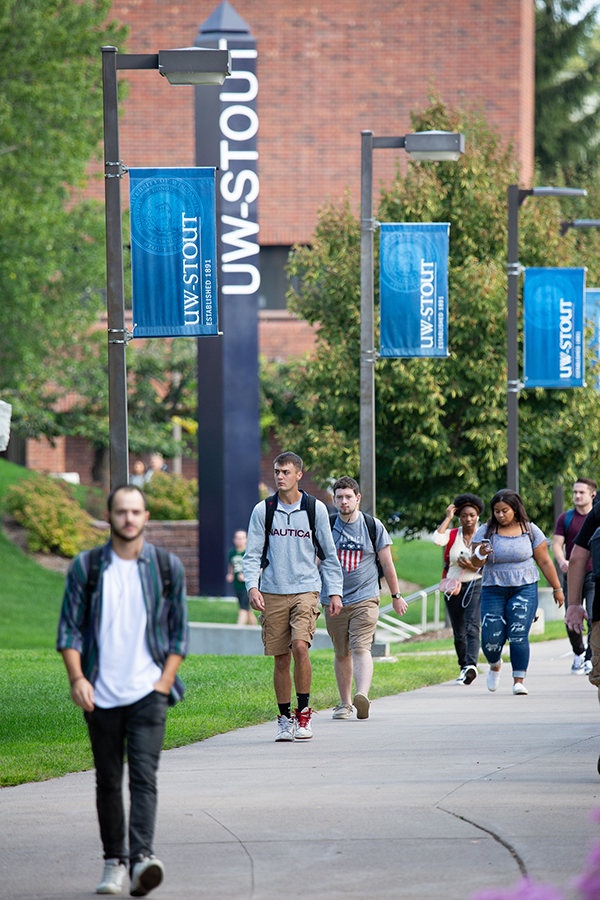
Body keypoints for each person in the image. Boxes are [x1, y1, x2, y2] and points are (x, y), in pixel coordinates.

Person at [56, 484, 189, 897]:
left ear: (145, 516)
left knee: (144, 779)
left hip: (149, 691)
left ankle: (142, 859)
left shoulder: (166, 567)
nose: (128, 519)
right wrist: (77, 678)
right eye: (121, 512)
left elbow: (178, 633)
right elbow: (69, 629)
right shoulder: (88, 567)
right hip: (100, 692)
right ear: (110, 517)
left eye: (135, 512)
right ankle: (114, 862)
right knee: (109, 779)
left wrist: (164, 682)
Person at [243, 451, 343, 742]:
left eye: (286, 472)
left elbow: (328, 554)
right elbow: (252, 555)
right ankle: (284, 718)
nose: (280, 476)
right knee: (281, 657)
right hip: (273, 590)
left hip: (306, 589)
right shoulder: (264, 510)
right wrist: (252, 586)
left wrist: (334, 591)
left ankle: (303, 713)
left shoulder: (315, 509)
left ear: (299, 474)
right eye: (277, 471)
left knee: (300, 647)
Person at [324, 476, 407, 720]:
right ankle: (344, 703)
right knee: (341, 652)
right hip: (334, 600)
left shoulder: (372, 525)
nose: (343, 501)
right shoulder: (327, 526)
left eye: (348, 496)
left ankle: (362, 695)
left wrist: (396, 595)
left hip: (365, 597)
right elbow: (317, 562)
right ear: (334, 499)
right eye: (339, 497)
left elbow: (387, 563)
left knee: (360, 646)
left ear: (357, 498)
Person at [470, 489, 564, 696]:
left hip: (525, 586)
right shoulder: (485, 531)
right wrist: (480, 552)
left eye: (505, 511)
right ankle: (495, 665)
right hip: (493, 587)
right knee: (490, 636)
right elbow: (474, 563)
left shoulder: (530, 530)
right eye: (496, 511)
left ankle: (518, 681)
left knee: (519, 634)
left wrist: (557, 589)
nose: (500, 515)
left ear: (515, 509)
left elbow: (545, 561)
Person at [432, 493, 484, 686]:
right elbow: (437, 539)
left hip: (475, 584)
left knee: (472, 626)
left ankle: (471, 666)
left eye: (471, 515)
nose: (468, 519)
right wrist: (448, 518)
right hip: (452, 587)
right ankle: (463, 667)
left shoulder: (484, 535)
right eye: (463, 516)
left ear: (477, 515)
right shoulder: (453, 534)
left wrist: (472, 567)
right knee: (459, 631)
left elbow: (491, 562)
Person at [553, 478, 597, 674]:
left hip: (594, 574)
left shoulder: (595, 515)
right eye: (575, 492)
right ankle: (579, 652)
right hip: (573, 572)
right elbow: (556, 544)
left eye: (582, 492)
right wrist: (562, 560)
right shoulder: (566, 518)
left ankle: (589, 657)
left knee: (593, 614)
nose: (577, 496)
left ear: (592, 495)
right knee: (571, 616)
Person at [226, 529, 256, 625]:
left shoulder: (249, 553)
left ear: (246, 539)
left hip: (247, 586)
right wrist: (230, 574)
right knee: (247, 609)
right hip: (237, 585)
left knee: (243, 609)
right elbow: (231, 565)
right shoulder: (232, 552)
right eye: (238, 538)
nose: (240, 540)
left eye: (242, 538)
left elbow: (258, 568)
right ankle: (255, 630)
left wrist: (246, 576)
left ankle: (238, 631)